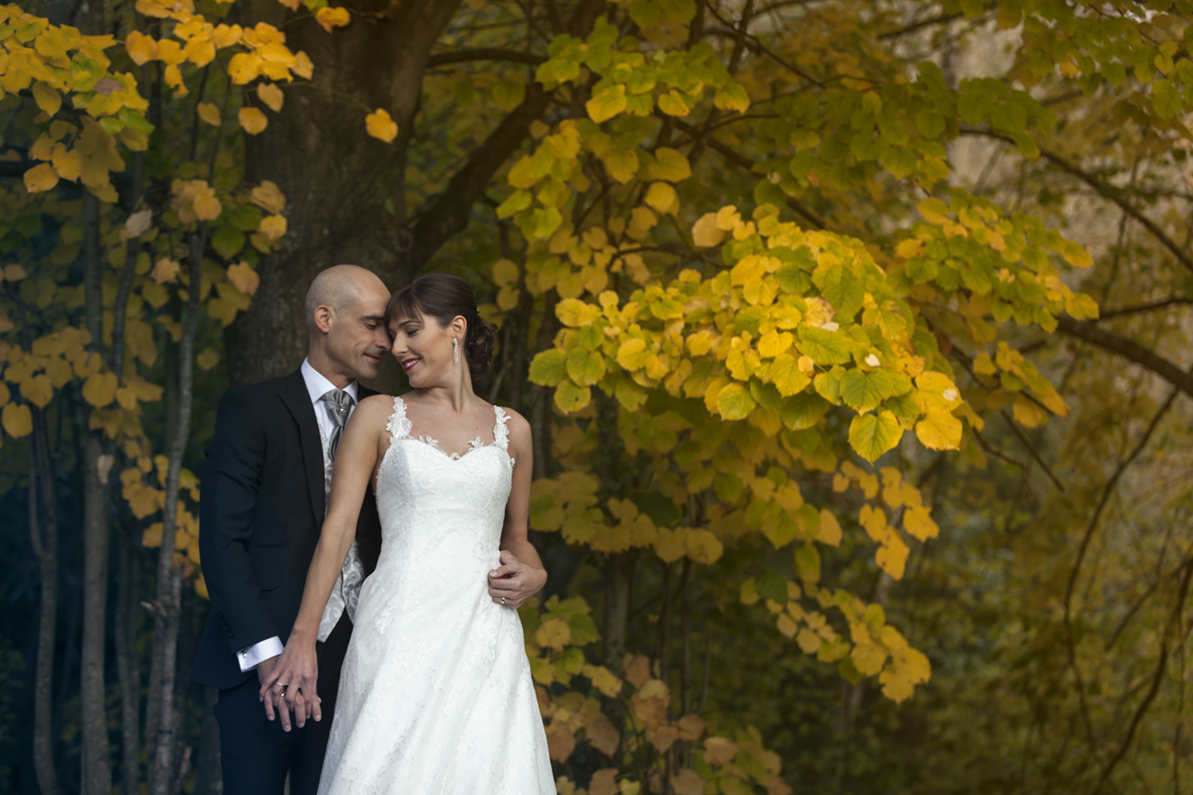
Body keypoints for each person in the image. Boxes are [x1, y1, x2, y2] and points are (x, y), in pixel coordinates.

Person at [261, 272, 554, 793]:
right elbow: (338, 530)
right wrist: (301, 639)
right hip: (397, 629)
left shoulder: (516, 430)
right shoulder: (378, 416)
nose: (395, 347)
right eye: (391, 334)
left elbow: (518, 537)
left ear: (456, 329)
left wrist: (535, 573)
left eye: (410, 331)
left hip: (484, 631)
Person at [190, 265, 393, 795]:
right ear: (324, 318)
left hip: (359, 662)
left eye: (390, 328)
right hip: (264, 664)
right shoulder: (251, 410)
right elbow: (221, 540)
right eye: (373, 324)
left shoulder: (392, 422)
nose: (386, 341)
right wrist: (267, 655)